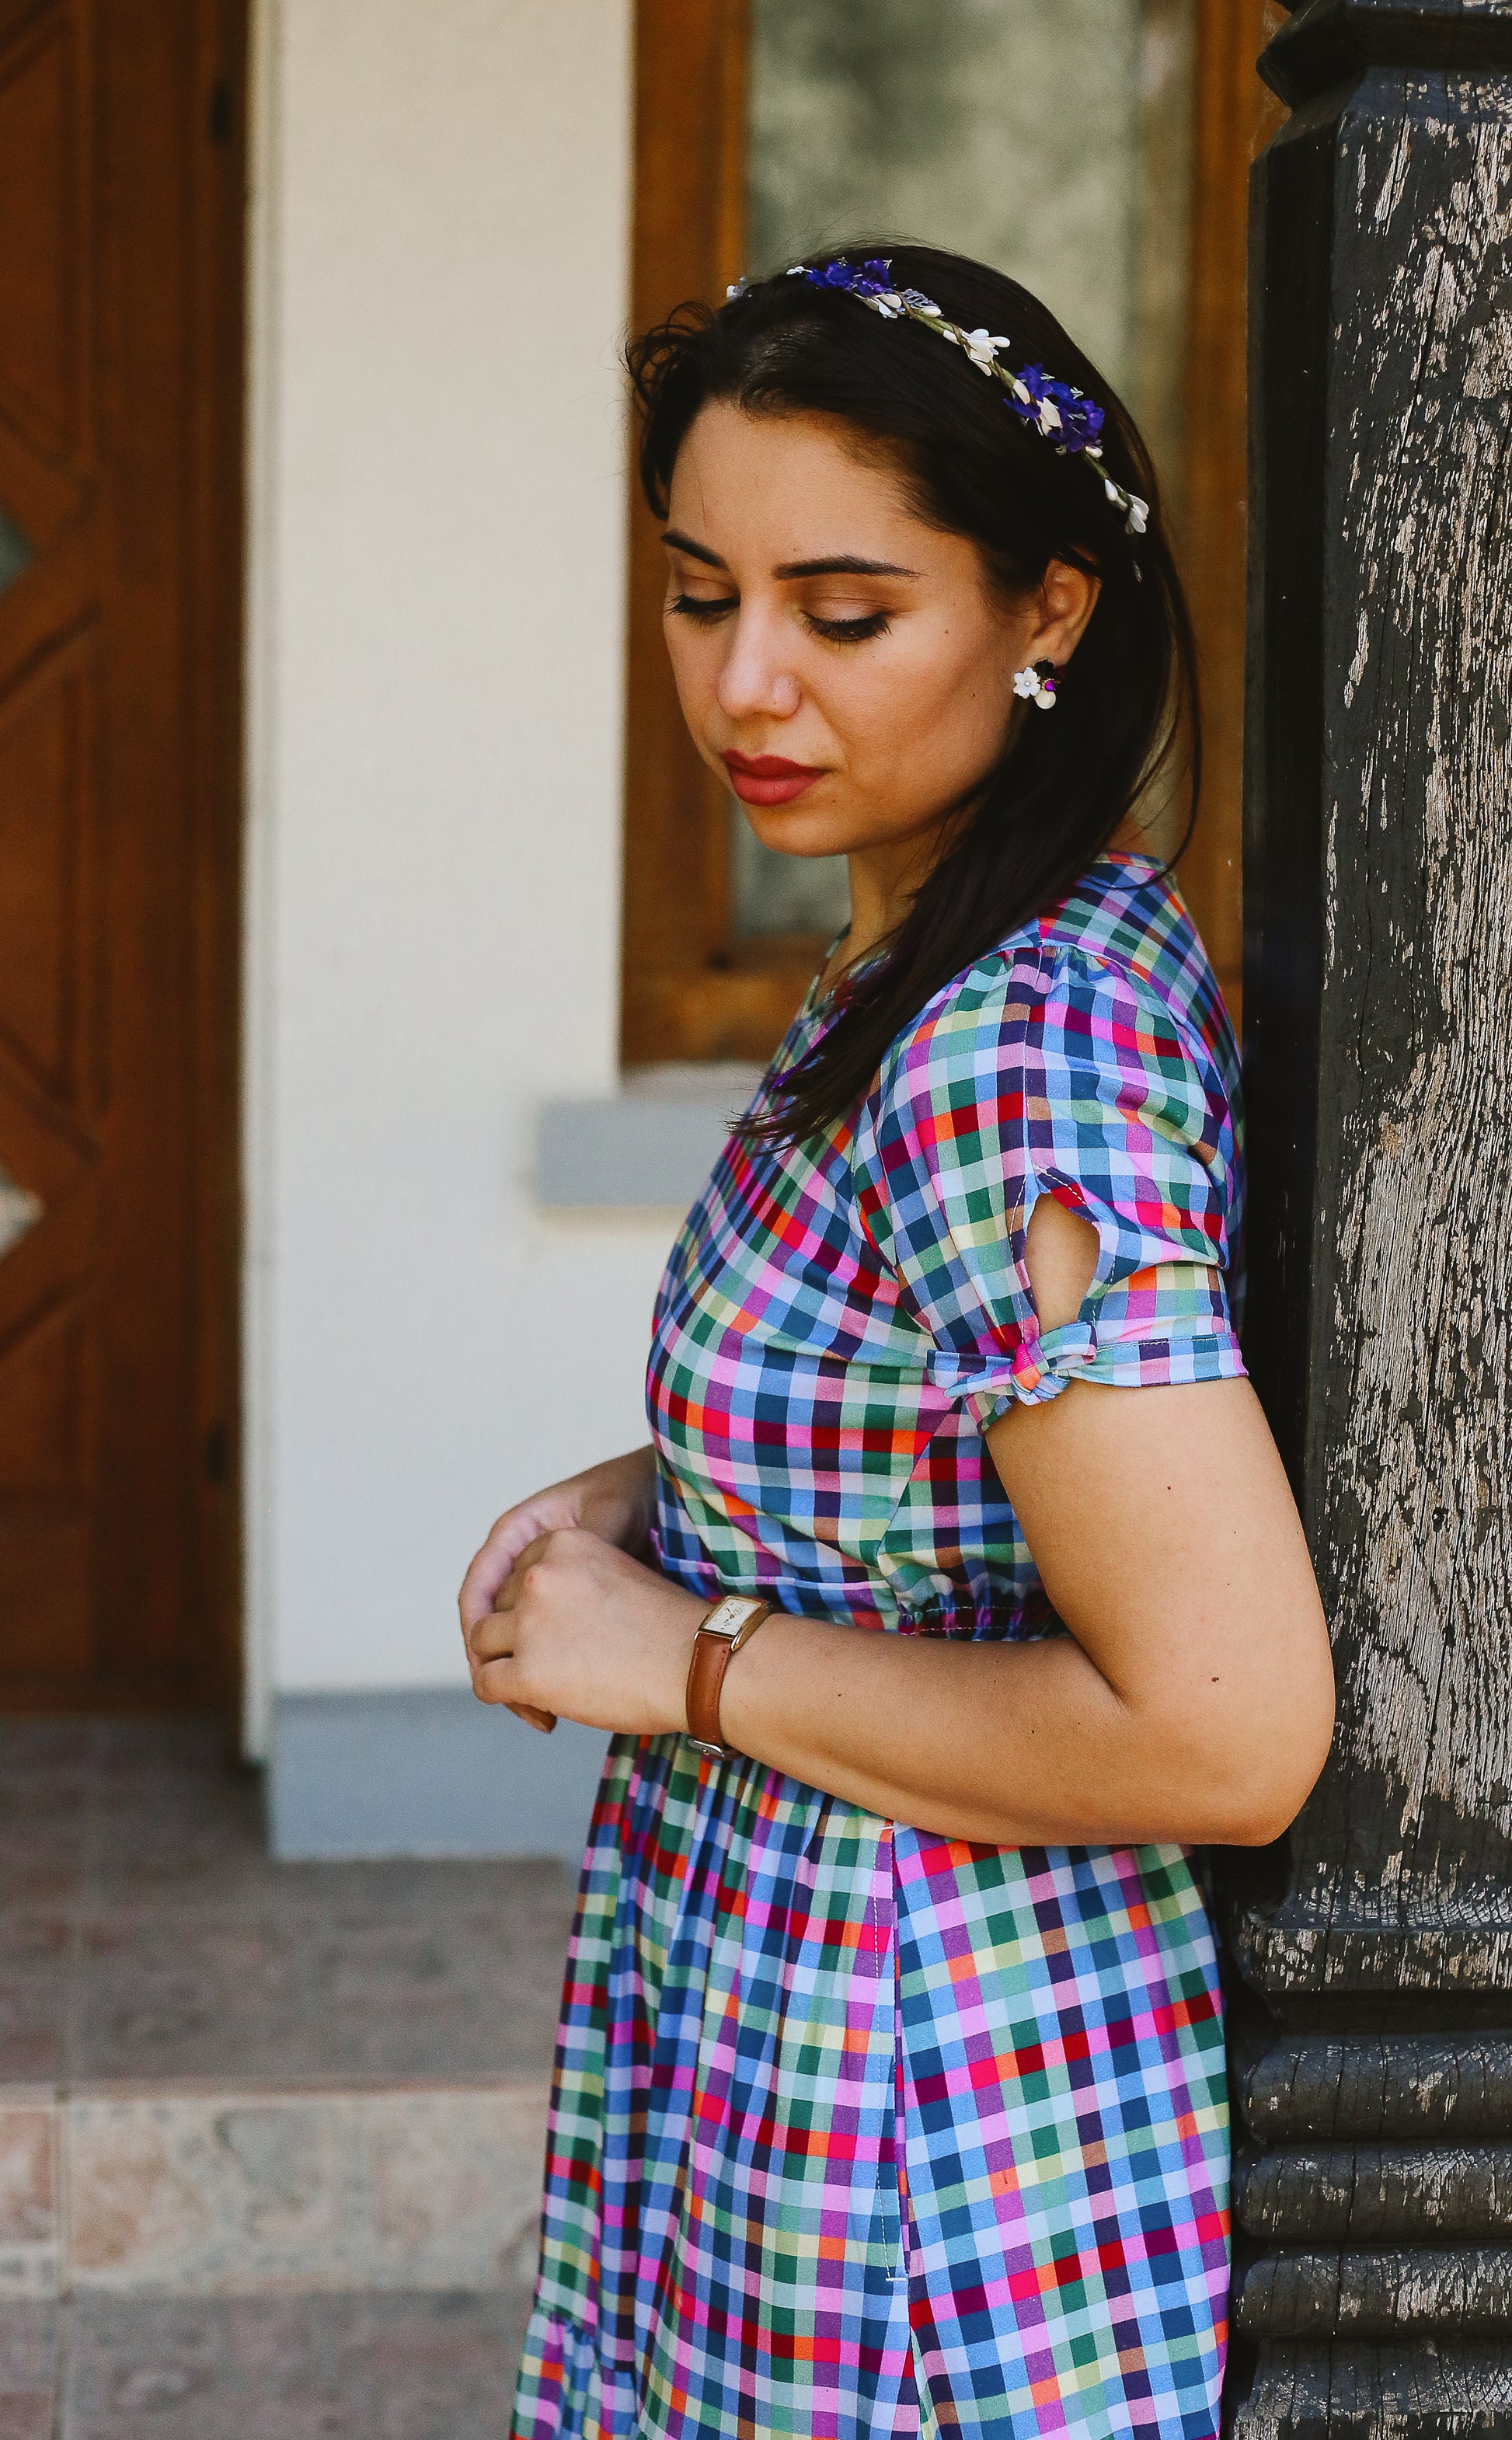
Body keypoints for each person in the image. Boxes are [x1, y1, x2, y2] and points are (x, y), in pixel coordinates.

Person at [461, 245, 1334, 2440]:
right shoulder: (957, 947)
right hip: (824, 2020)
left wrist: (683, 1659)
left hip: (920, 2104)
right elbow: (947, 1441)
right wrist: (660, 1490)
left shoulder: (1008, 1051)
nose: (749, 680)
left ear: (1048, 606)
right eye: (696, 591)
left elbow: (1221, 1726)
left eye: (844, 613)